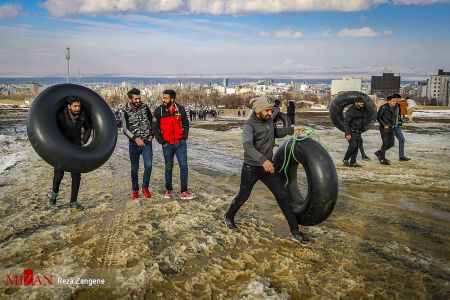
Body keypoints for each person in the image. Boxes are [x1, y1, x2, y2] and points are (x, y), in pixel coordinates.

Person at [223, 96, 310, 246]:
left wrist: (291, 130)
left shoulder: (268, 120)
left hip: (268, 167)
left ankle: (295, 232)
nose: (271, 113)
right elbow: (248, 147)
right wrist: (263, 161)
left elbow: (273, 133)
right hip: (252, 168)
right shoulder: (249, 126)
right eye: (268, 110)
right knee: (243, 196)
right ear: (258, 110)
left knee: (282, 196)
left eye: (271, 110)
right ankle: (229, 216)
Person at [49, 96, 91, 211]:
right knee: (58, 173)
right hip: (62, 147)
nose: (77, 108)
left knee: (76, 176)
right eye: (75, 106)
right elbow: (53, 128)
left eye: (79, 106)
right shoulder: (61, 115)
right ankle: (54, 193)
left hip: (76, 147)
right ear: (69, 106)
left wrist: (84, 140)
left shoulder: (82, 114)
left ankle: (73, 203)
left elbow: (88, 128)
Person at [152, 89, 194, 200]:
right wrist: (162, 142)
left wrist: (184, 139)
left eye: (166, 98)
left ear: (172, 99)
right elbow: (155, 128)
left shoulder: (180, 109)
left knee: (184, 167)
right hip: (167, 145)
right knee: (168, 167)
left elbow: (186, 124)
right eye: (163, 97)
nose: (163, 100)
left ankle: (184, 191)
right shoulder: (159, 111)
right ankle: (169, 190)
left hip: (180, 144)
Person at [121, 88, 154, 200]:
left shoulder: (145, 107)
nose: (138, 100)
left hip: (146, 142)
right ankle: (135, 190)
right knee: (134, 168)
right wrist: (135, 139)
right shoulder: (125, 111)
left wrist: (152, 134)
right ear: (130, 99)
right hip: (134, 144)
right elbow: (125, 130)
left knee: (148, 165)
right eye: (135, 99)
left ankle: (145, 187)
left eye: (139, 98)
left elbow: (152, 121)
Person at [343, 97, 367, 167]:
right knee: (353, 146)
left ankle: (353, 162)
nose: (362, 103)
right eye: (360, 102)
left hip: (358, 132)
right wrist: (347, 134)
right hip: (351, 131)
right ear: (356, 103)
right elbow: (346, 122)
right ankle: (345, 159)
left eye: (362, 102)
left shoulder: (361, 109)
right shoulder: (351, 110)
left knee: (356, 147)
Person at [374, 95, 398, 165]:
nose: (395, 102)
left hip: (391, 127)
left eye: (396, 101)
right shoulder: (383, 107)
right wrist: (384, 125)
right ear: (389, 101)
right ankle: (382, 159)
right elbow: (378, 117)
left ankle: (379, 153)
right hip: (384, 127)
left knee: (391, 143)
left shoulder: (395, 107)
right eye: (393, 101)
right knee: (385, 142)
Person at [392, 94, 411, 161]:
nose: (399, 100)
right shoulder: (391, 106)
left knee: (402, 140)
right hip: (392, 126)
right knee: (388, 143)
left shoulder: (398, 106)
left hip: (397, 126)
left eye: (399, 99)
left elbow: (399, 116)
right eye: (398, 99)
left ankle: (401, 156)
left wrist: (402, 119)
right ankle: (381, 154)